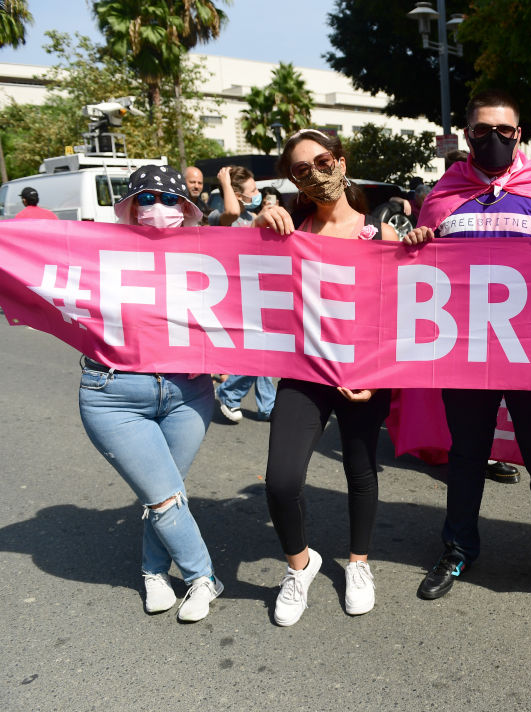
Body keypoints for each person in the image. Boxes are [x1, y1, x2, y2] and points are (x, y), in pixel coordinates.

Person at [406, 89, 531, 607]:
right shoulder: (444, 194)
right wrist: (414, 245)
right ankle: (458, 548)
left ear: (520, 136)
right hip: (464, 354)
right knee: (466, 455)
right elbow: (418, 269)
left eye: (504, 131)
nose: (493, 139)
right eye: (482, 130)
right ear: (467, 136)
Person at [250, 128, 401, 625]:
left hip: (365, 373)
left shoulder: (380, 229)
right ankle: (300, 565)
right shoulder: (288, 228)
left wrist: (378, 376)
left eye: (322, 161)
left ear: (339, 160)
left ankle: (358, 563)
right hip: (303, 372)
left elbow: (400, 311)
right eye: (300, 170)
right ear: (292, 181)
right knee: (281, 479)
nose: (315, 174)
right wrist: (260, 218)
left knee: (360, 471)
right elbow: (238, 261)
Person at [78, 165, 223, 622]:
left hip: (188, 393)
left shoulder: (210, 250)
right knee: (162, 496)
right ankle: (203, 577)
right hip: (113, 393)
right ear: (130, 206)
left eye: (167, 199)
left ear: (186, 208)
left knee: (164, 491)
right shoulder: (101, 249)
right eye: (145, 199)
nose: (157, 209)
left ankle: (153, 571)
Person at [209, 165, 277, 422]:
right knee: (257, 353)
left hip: (254, 292)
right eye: (253, 190)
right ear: (237, 194)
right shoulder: (220, 216)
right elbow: (231, 210)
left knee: (265, 350)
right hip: (232, 296)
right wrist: (225, 180)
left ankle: (267, 405)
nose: (258, 193)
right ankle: (228, 393)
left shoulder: (250, 217)